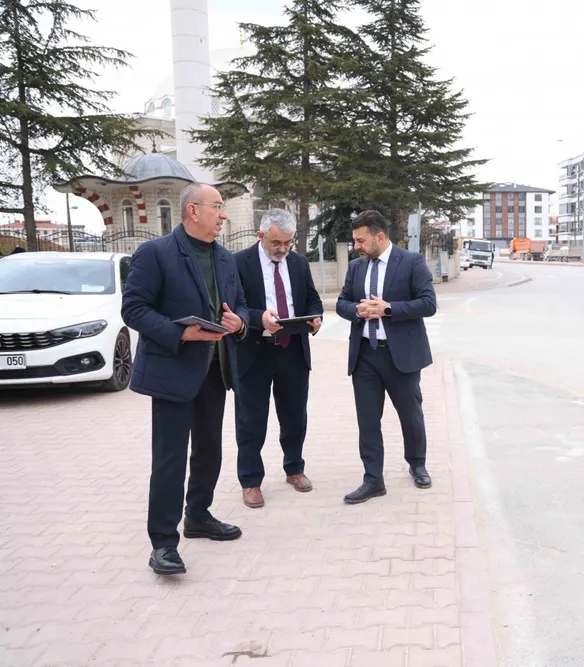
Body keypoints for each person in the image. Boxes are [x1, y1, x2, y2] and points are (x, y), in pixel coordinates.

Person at [121, 182, 249, 576]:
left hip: (215, 370)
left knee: (210, 450)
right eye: (217, 206)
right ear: (193, 210)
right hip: (173, 371)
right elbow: (134, 309)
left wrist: (239, 322)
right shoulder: (155, 253)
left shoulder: (225, 258)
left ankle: (198, 515)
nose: (223, 214)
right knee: (170, 458)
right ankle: (163, 543)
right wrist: (180, 332)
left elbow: (240, 305)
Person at [335, 210, 437, 504]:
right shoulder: (356, 267)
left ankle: (417, 464)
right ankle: (373, 479)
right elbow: (342, 303)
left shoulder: (411, 262)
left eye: (361, 240)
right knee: (368, 419)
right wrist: (356, 310)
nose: (356, 246)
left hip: (400, 355)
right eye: (355, 240)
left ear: (379, 236)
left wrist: (388, 309)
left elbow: (428, 303)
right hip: (365, 354)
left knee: (410, 413)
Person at [233, 208, 323, 508]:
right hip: (254, 352)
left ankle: (294, 468)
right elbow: (233, 306)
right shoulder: (239, 263)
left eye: (287, 242)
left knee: (295, 416)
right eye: (276, 243)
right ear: (260, 235)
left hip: (292, 350)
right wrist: (259, 317)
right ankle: (250, 481)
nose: (282, 249)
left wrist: (315, 318)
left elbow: (312, 299)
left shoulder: (298, 262)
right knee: (251, 421)